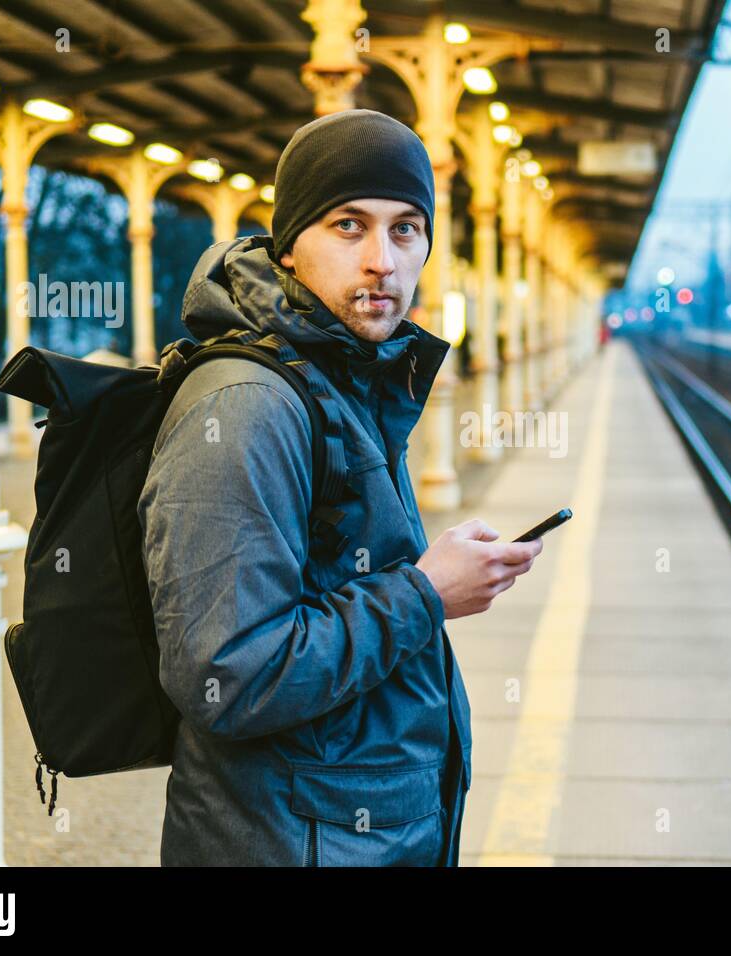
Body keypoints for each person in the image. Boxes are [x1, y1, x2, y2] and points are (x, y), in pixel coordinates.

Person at [137, 109, 543, 867]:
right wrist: (426, 593)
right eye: (349, 226)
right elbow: (228, 673)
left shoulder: (344, 379)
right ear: (289, 247)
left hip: (343, 832)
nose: (382, 261)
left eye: (405, 229)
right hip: (287, 840)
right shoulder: (247, 406)